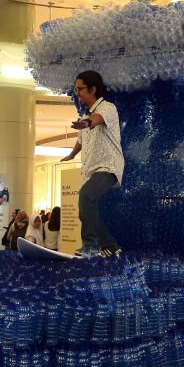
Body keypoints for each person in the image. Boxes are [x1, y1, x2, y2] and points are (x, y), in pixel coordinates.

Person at [61, 70, 124, 257]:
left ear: (92, 89)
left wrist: (87, 123)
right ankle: (111, 246)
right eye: (76, 89)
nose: (77, 93)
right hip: (90, 169)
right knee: (84, 211)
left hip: (107, 166)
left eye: (80, 89)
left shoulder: (107, 108)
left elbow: (96, 121)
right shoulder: (84, 116)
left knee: (86, 196)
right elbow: (81, 139)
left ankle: (91, 246)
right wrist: (71, 155)